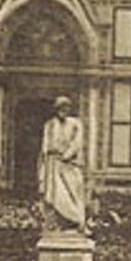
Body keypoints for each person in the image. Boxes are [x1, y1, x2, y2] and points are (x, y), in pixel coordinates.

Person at [38, 96, 88, 233]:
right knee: (53, 195)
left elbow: (77, 143)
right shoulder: (50, 124)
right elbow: (45, 145)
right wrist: (48, 158)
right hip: (52, 164)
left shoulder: (75, 124)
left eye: (66, 107)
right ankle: (56, 224)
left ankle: (76, 222)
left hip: (70, 164)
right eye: (60, 108)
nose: (63, 111)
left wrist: (66, 156)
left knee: (72, 192)